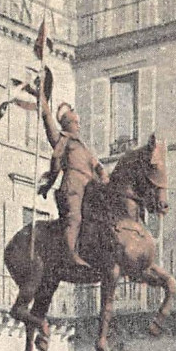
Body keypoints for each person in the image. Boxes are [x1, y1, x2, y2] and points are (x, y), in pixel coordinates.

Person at [36, 82, 109, 271]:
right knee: (74, 217)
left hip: (89, 187)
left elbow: (96, 164)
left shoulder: (83, 147)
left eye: (78, 123)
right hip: (73, 186)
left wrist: (103, 175)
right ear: (68, 124)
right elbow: (48, 120)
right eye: (75, 122)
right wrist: (42, 99)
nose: (78, 126)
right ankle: (70, 254)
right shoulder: (64, 140)